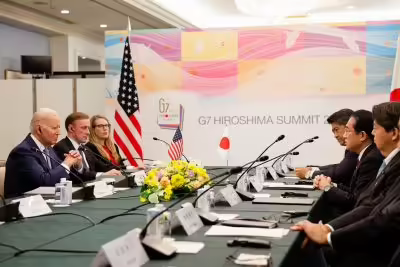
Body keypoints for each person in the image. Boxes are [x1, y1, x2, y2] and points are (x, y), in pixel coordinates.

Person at [291, 102, 400, 267]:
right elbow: (369, 203)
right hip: (371, 238)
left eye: (375, 128)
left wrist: (328, 236)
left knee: (306, 250)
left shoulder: (379, 160)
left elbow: (386, 217)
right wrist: (328, 229)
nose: (372, 133)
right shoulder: (389, 162)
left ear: (394, 133)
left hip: (379, 250)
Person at [314, 110, 383, 213]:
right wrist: (331, 184)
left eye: (348, 131)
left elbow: (355, 201)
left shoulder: (371, 159)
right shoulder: (365, 155)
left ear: (362, 136)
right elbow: (353, 191)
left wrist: (328, 188)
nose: (344, 136)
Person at [4, 108, 82, 197]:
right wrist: (67, 163)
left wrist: (77, 165)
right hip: (22, 206)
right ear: (39, 129)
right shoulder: (23, 152)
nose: (59, 133)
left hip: (46, 202)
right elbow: (43, 182)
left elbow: (61, 177)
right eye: (54, 128)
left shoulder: (48, 149)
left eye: (59, 127)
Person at [296, 109, 358, 186]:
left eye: (336, 130)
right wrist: (315, 169)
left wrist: (309, 173)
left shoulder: (356, 148)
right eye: (333, 132)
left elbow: (340, 173)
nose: (335, 135)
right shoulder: (352, 149)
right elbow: (340, 166)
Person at [53, 112, 121, 180]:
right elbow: (75, 177)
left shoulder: (86, 148)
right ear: (71, 128)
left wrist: (125, 170)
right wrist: (102, 175)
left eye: (88, 128)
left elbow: (102, 167)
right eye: (84, 128)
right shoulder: (61, 147)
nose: (88, 132)